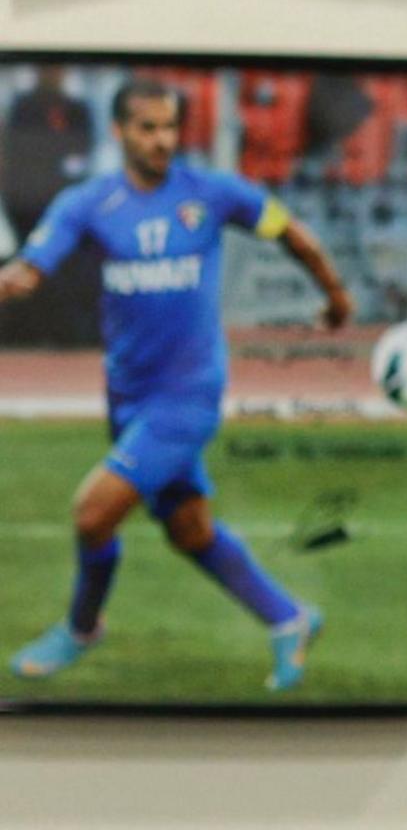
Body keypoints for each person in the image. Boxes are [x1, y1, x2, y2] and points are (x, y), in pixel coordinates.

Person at [0, 74, 350, 691]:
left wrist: (336, 291)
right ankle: (289, 618)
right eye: (148, 128)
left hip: (188, 394)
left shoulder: (212, 193)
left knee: (91, 515)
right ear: (119, 132)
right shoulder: (88, 204)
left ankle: (81, 629)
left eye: (169, 127)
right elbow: (34, 265)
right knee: (190, 530)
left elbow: (290, 230)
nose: (163, 140)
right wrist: (18, 279)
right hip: (128, 393)